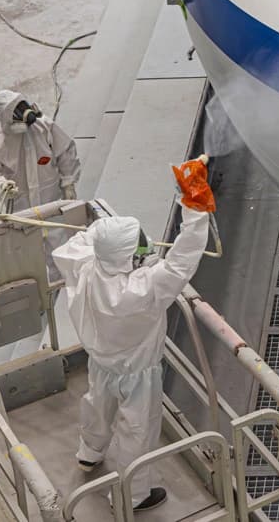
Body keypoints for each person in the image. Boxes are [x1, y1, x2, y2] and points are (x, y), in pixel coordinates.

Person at [53, 193, 215, 513]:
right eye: (140, 244)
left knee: (97, 408)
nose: (147, 246)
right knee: (137, 431)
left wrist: (106, 233)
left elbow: (84, 241)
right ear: (128, 257)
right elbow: (183, 259)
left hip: (101, 364)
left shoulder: (85, 267)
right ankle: (133, 495)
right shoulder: (144, 287)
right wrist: (195, 208)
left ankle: (90, 453)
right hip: (137, 374)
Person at [0, 89, 79, 214]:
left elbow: (65, 152)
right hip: (21, 208)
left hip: (52, 201)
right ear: (7, 118)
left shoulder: (43, 127)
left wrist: (68, 183)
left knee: (57, 224)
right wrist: (1, 187)